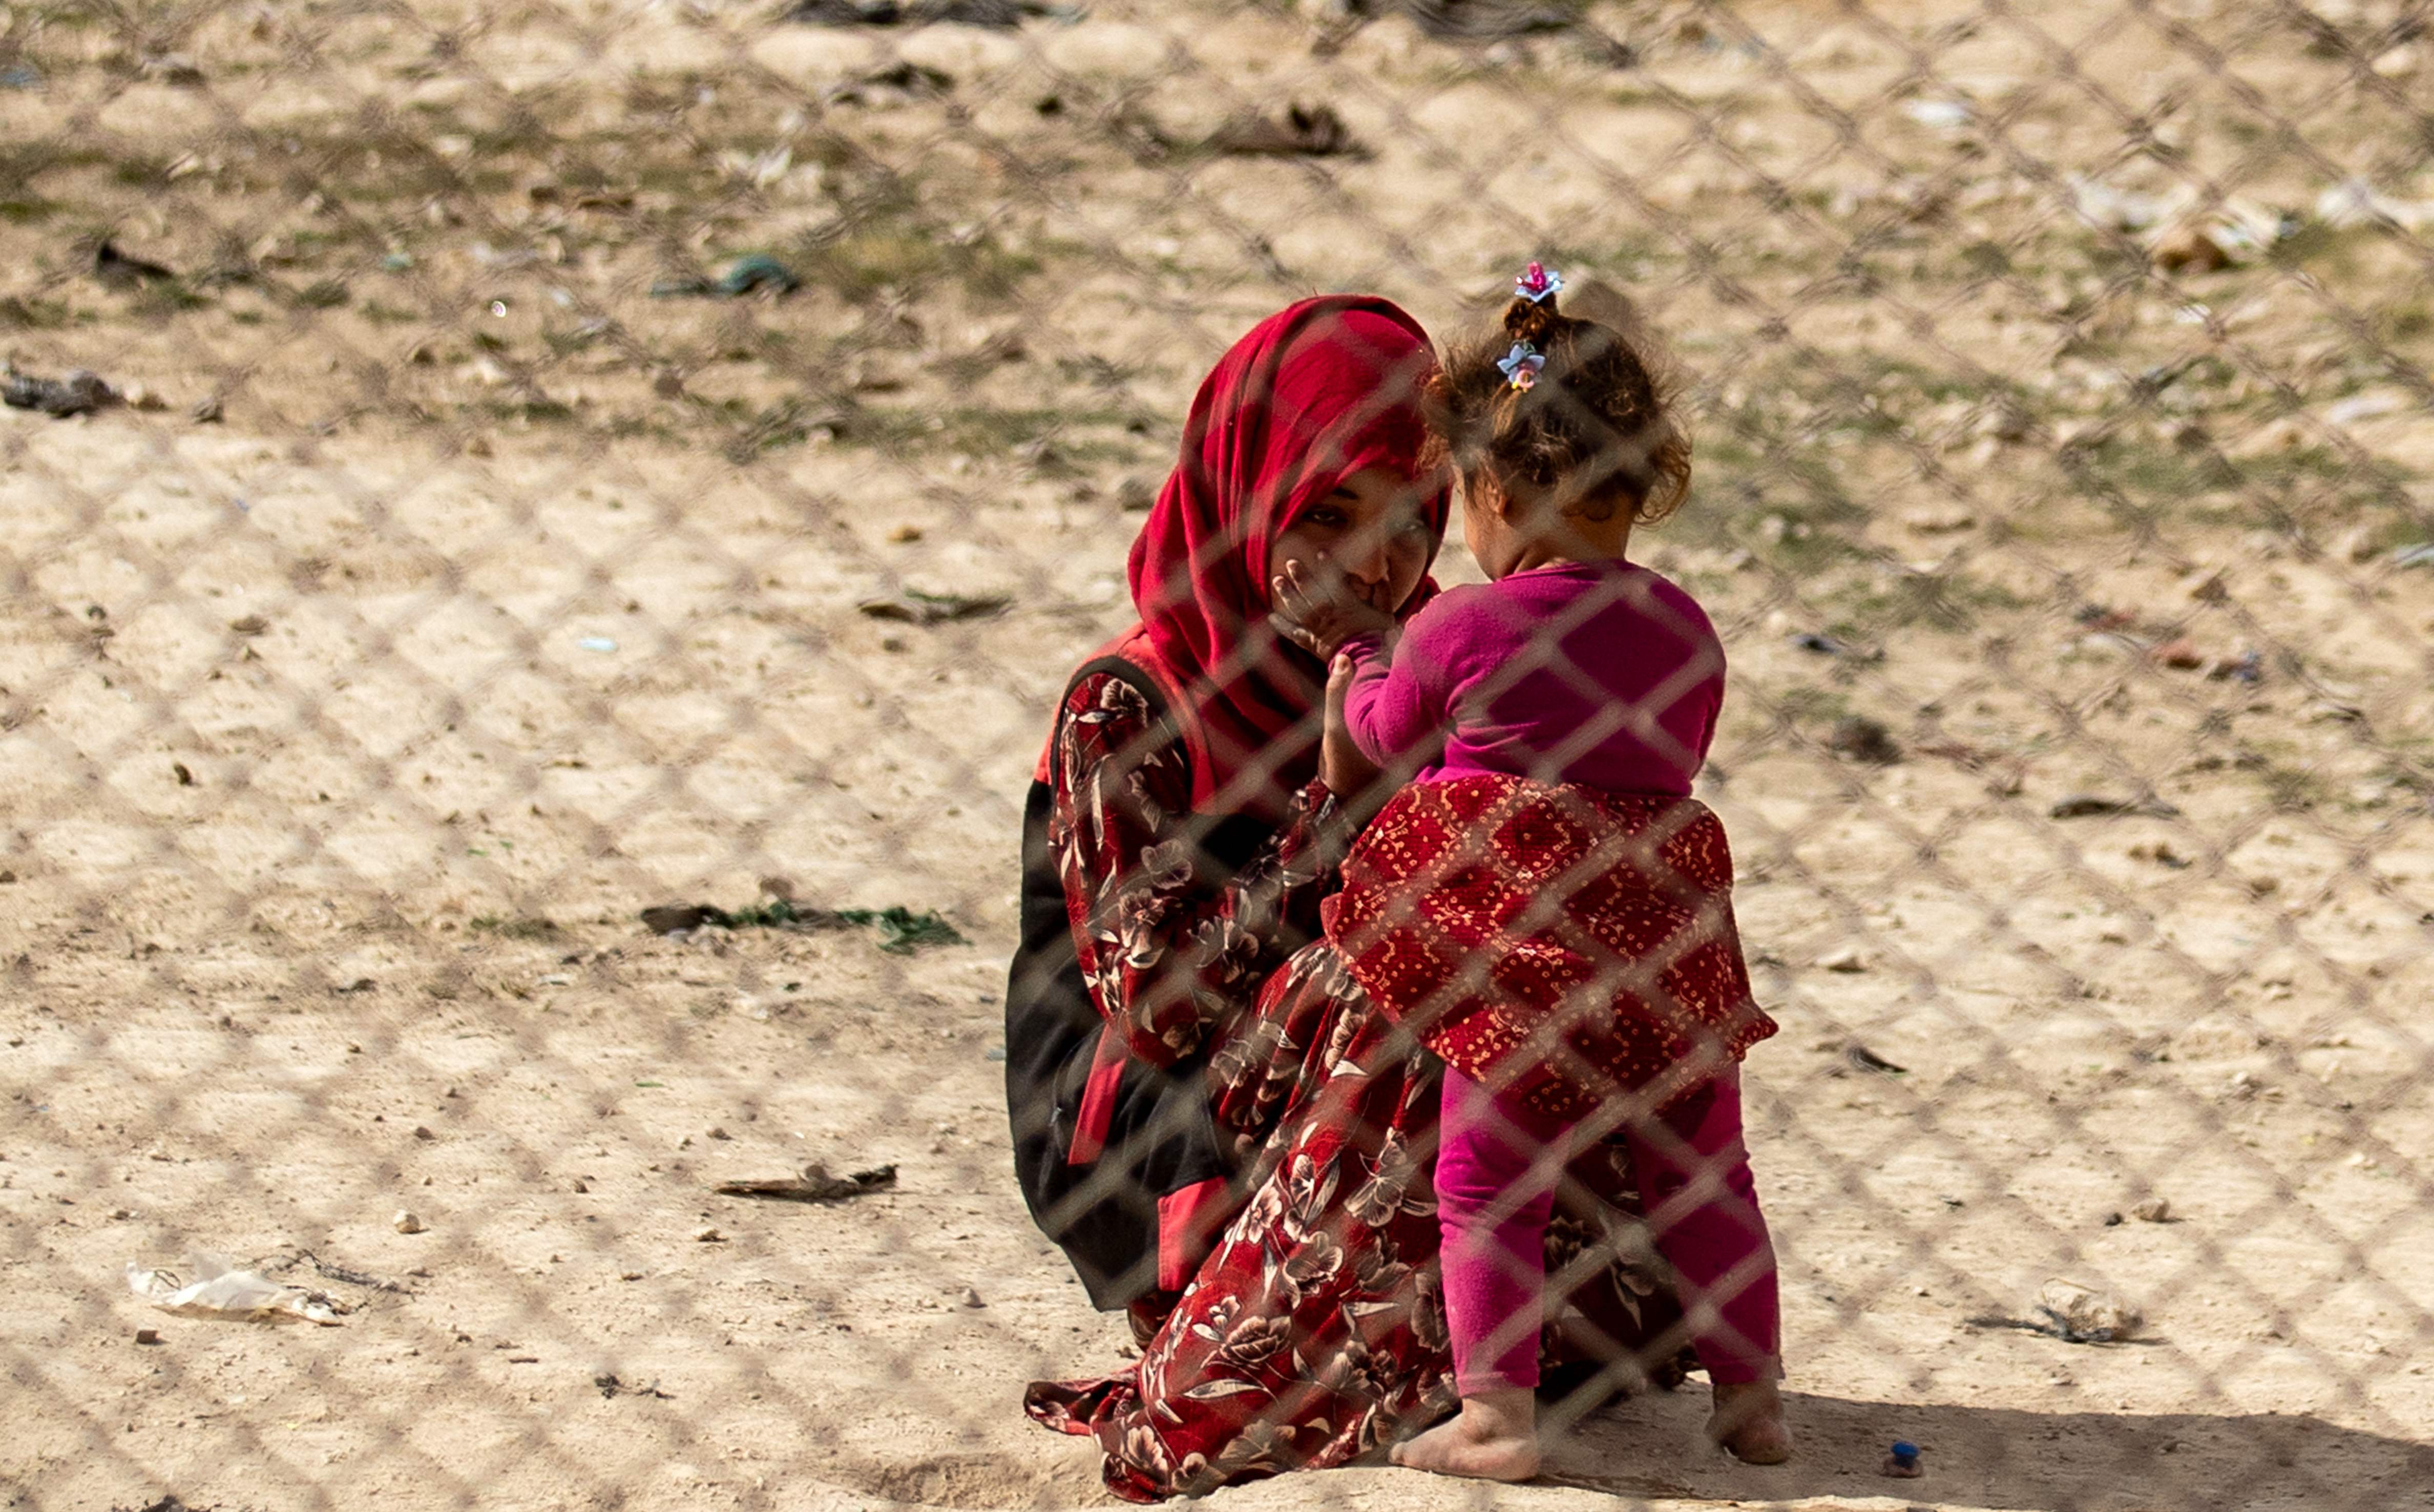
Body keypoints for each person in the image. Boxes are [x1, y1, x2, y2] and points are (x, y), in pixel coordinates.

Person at [1281, 263, 1790, 1478]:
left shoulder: (1462, 626)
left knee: (1486, 1179)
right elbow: (1665, 761)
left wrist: (1355, 647)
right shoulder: (1685, 627)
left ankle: (1498, 1416)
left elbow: (1386, 741)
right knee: (1709, 1172)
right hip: (1665, 958)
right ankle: (1756, 1398)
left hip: (1528, 968)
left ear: (1494, 490)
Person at [1003, 295, 1449, 1341]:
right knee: (1365, 975)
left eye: (1411, 519)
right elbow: (1156, 1008)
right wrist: (1338, 804)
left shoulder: (1438, 660)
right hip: (1143, 1115)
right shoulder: (1130, 703)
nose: (1374, 567)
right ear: (1248, 494)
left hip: (1354, 1093)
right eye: (1330, 515)